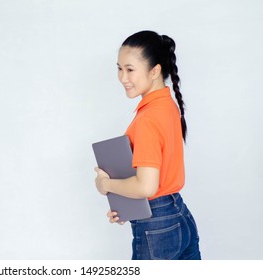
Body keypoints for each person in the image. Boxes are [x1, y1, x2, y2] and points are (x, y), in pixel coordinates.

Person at [94, 30, 201, 260]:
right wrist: (127, 208)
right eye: (119, 68)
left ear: (155, 71)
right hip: (180, 215)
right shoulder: (167, 105)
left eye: (130, 69)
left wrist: (106, 184)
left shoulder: (148, 119)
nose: (123, 77)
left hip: (157, 228)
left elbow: (147, 187)